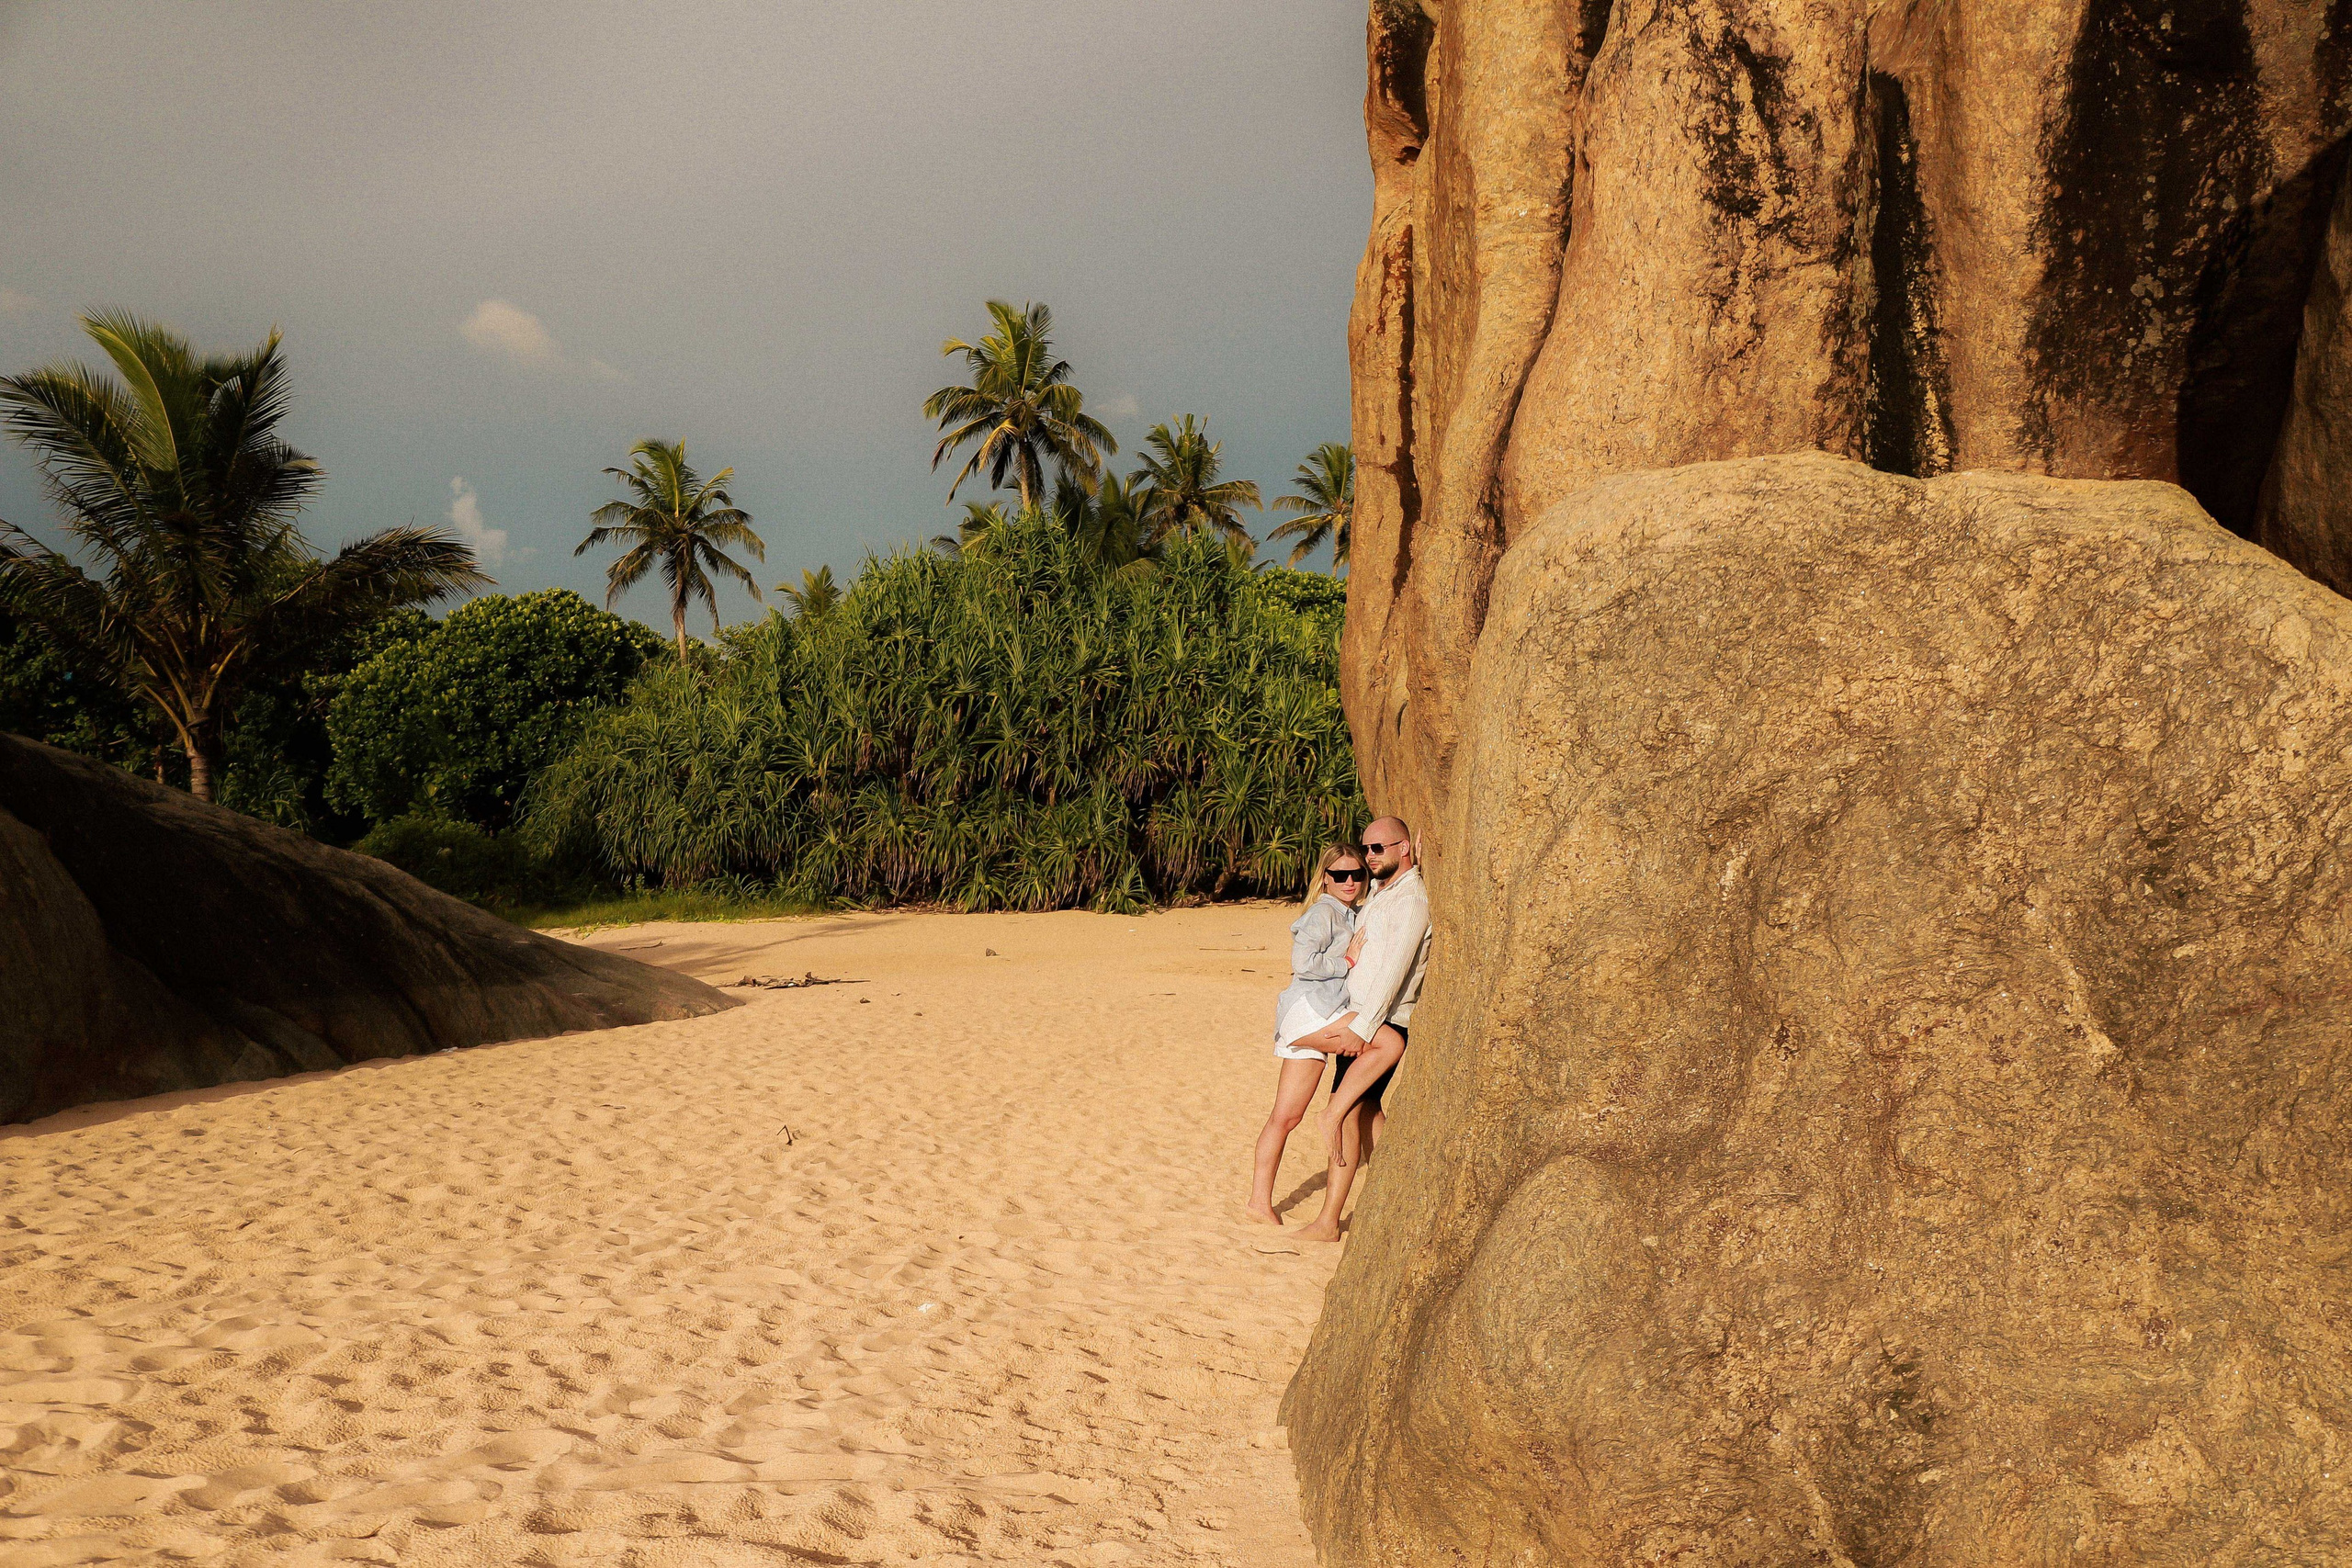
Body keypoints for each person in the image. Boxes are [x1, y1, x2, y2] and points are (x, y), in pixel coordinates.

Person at [1291, 817, 1430, 1243]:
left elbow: (1394, 970)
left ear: (1403, 848)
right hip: (1362, 1015)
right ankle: (1401, 1196)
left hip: (1379, 1021)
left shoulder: (1410, 901)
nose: (1370, 857)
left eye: (1380, 849)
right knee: (1367, 1113)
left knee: (1346, 1111)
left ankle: (1329, 1221)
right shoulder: (1382, 892)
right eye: (1366, 848)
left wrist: (1365, 1027)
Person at [1245, 843, 1370, 1225]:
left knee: (1285, 1117)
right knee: (1378, 1043)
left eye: (1357, 874)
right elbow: (1302, 963)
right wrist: (1346, 961)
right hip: (1310, 1012)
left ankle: (1258, 1204)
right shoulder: (1323, 912)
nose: (1349, 882)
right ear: (1325, 878)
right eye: (1339, 875)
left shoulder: (1350, 910)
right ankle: (1337, 1117)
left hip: (1316, 1013)